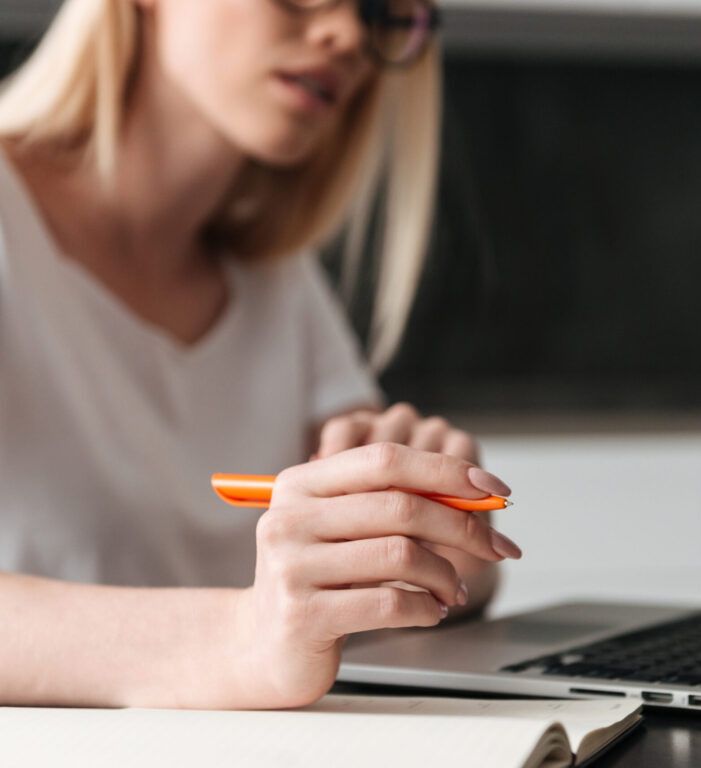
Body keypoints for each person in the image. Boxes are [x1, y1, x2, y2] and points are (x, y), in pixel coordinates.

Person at [0, 0, 521, 710]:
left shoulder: (278, 283)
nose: (347, 36)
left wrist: (444, 547)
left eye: (381, 12)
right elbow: (267, 633)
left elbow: (378, 560)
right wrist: (245, 636)